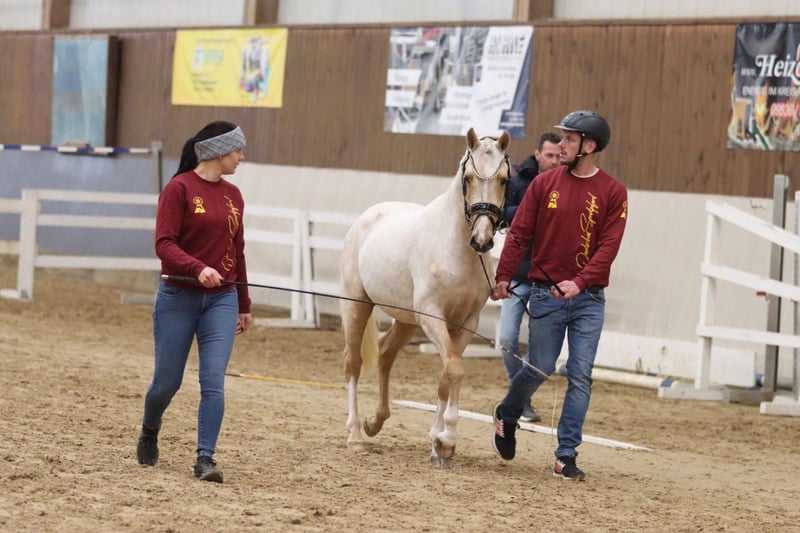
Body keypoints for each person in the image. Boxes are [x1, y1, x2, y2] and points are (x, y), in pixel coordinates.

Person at [490, 110, 627, 480]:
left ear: (589, 146)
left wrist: (580, 282)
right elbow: (519, 233)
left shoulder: (614, 192)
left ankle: (566, 455)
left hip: (589, 299)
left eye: (569, 139)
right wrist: (503, 276)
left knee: (580, 374)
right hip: (545, 294)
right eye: (562, 138)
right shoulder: (543, 184)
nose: (561, 144)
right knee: (540, 367)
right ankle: (508, 413)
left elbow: (609, 248)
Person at [136, 120, 254, 483]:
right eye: (237, 150)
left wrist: (244, 303)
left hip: (222, 301)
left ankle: (205, 458)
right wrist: (198, 268)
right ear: (218, 151)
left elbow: (237, 251)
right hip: (178, 298)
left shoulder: (234, 196)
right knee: (166, 383)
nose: (241, 157)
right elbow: (164, 244)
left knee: (213, 380)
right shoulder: (178, 189)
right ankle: (150, 428)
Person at [496, 132, 562, 423]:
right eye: (549, 155)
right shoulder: (518, 182)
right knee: (506, 338)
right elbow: (500, 213)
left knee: (542, 354)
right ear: (537, 155)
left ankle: (519, 398)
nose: (554, 161)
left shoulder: (566, 185)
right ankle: (519, 395)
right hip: (518, 277)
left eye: (558, 156)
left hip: (548, 280)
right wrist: (529, 211)